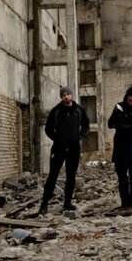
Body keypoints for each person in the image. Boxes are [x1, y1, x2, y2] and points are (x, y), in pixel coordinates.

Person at [39, 86, 90, 215]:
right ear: (61, 97)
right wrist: (57, 138)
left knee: (71, 175)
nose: (66, 97)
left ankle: (67, 202)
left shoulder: (79, 110)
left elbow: (86, 124)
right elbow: (48, 129)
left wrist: (80, 135)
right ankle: (44, 204)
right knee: (53, 175)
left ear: (71, 95)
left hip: (74, 147)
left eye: (68, 94)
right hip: (59, 147)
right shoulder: (56, 111)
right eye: (63, 95)